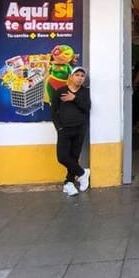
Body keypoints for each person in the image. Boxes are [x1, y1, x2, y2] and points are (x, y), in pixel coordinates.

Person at [51, 66, 91, 197]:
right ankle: (82, 173)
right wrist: (59, 127)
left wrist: (74, 98)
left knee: (74, 157)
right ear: (71, 76)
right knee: (62, 157)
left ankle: (68, 183)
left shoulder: (85, 92)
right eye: (77, 75)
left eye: (82, 76)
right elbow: (53, 111)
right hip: (64, 130)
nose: (80, 78)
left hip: (79, 129)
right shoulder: (60, 91)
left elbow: (87, 107)